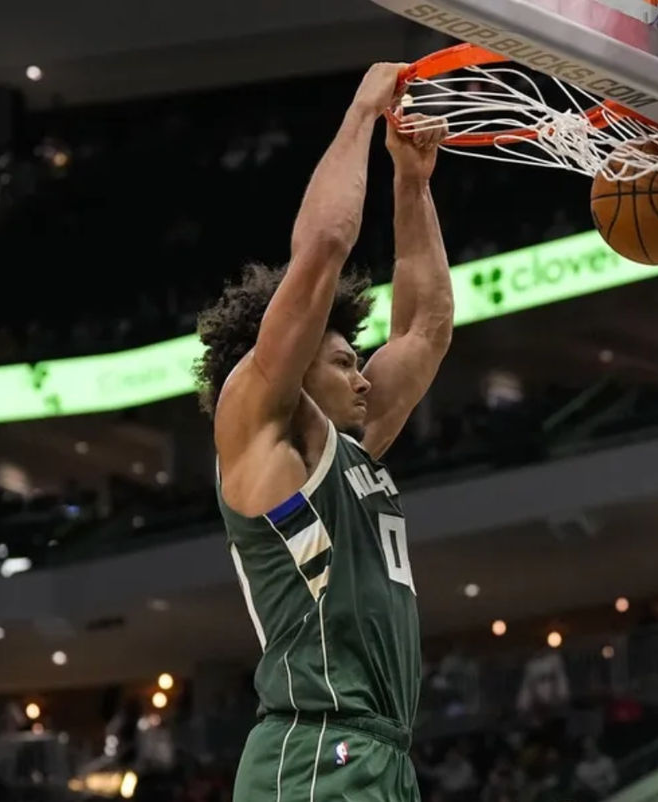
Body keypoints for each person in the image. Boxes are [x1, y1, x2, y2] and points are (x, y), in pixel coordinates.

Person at [195, 62, 454, 801]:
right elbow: (322, 251)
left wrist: (413, 183)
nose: (364, 376)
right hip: (316, 748)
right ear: (294, 365)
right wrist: (360, 116)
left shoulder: (350, 447)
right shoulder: (263, 437)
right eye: (343, 361)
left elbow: (425, 329)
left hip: (382, 755)